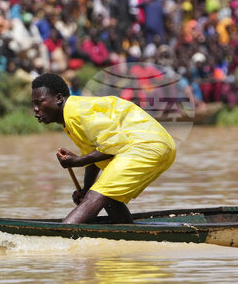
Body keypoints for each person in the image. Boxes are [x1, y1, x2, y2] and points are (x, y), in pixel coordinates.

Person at [31, 73, 177, 225]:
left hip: (146, 145)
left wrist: (79, 161)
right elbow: (95, 155)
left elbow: (114, 143)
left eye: (39, 102)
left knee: (96, 195)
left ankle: (60, 235)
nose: (35, 109)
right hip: (155, 145)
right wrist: (86, 189)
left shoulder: (76, 112)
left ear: (58, 98)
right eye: (33, 104)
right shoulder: (71, 115)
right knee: (106, 194)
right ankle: (125, 231)